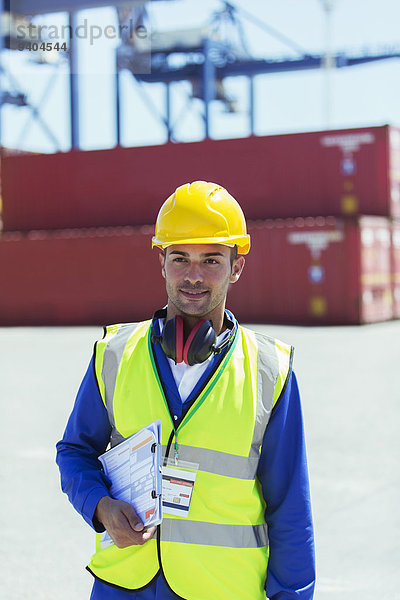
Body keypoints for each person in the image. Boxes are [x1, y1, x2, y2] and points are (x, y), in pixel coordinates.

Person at [56, 181, 315, 600]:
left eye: (211, 260)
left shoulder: (271, 372)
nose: (193, 275)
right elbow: (74, 451)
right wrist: (100, 507)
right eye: (180, 258)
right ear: (161, 261)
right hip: (124, 586)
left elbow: (290, 509)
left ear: (237, 266)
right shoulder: (115, 354)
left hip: (220, 590)